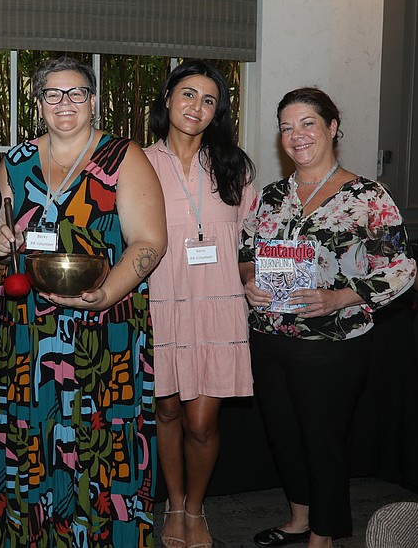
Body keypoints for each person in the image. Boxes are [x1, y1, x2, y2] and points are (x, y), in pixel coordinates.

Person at [0, 56, 167, 546]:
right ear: (39, 102)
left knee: (100, 446)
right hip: (29, 333)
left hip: (103, 333)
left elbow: (150, 243)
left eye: (76, 93)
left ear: (93, 100)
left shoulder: (123, 157)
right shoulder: (18, 160)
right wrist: (2, 243)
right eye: (53, 94)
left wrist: (105, 295)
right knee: (35, 444)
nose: (64, 103)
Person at [239, 87, 416, 548]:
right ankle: (299, 519)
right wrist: (250, 281)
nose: (296, 135)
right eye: (286, 127)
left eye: (307, 123)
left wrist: (341, 297)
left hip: (333, 346)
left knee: (323, 444)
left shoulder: (367, 195)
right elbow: (246, 252)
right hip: (270, 337)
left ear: (332, 127)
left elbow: (400, 268)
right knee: (284, 438)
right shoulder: (273, 196)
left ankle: (325, 534)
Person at [144, 59, 257, 548]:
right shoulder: (138, 162)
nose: (197, 106)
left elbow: (254, 239)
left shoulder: (236, 166)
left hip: (219, 304)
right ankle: (173, 505)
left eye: (209, 100)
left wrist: (254, 278)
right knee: (166, 412)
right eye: (188, 94)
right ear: (168, 99)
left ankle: (196, 507)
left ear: (219, 112)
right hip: (160, 299)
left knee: (201, 420)